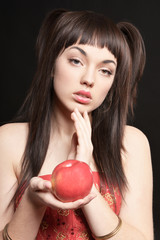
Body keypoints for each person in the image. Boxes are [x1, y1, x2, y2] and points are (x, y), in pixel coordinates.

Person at [0, 9, 153, 240]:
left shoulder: (131, 144)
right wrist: (33, 201)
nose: (89, 79)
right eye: (76, 60)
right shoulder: (8, 141)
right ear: (51, 64)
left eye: (105, 70)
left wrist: (85, 185)